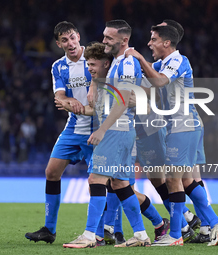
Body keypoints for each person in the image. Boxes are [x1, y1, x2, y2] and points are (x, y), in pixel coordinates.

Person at [126, 25, 218, 246]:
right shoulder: (161, 64)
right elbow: (146, 81)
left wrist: (139, 58)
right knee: (186, 180)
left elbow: (160, 81)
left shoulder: (177, 61)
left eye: (153, 39)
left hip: (184, 125)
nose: (149, 43)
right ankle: (212, 222)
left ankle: (176, 235)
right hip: (178, 126)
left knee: (174, 180)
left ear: (166, 43)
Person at [62, 20, 151, 249]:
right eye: (104, 36)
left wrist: (102, 129)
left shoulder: (127, 63)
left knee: (96, 180)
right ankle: (140, 235)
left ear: (124, 40)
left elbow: (123, 100)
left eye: (108, 38)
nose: (104, 41)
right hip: (121, 130)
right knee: (121, 184)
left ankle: (90, 235)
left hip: (115, 130)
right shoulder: (118, 64)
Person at [25, 21, 94, 244]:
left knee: (102, 182)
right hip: (73, 129)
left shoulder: (94, 58)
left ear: (79, 36)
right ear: (58, 44)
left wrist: (74, 104)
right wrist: (67, 101)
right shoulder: (58, 67)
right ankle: (49, 229)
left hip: (98, 128)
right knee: (51, 172)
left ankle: (101, 230)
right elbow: (59, 96)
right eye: (64, 40)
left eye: (72, 37)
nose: (70, 43)